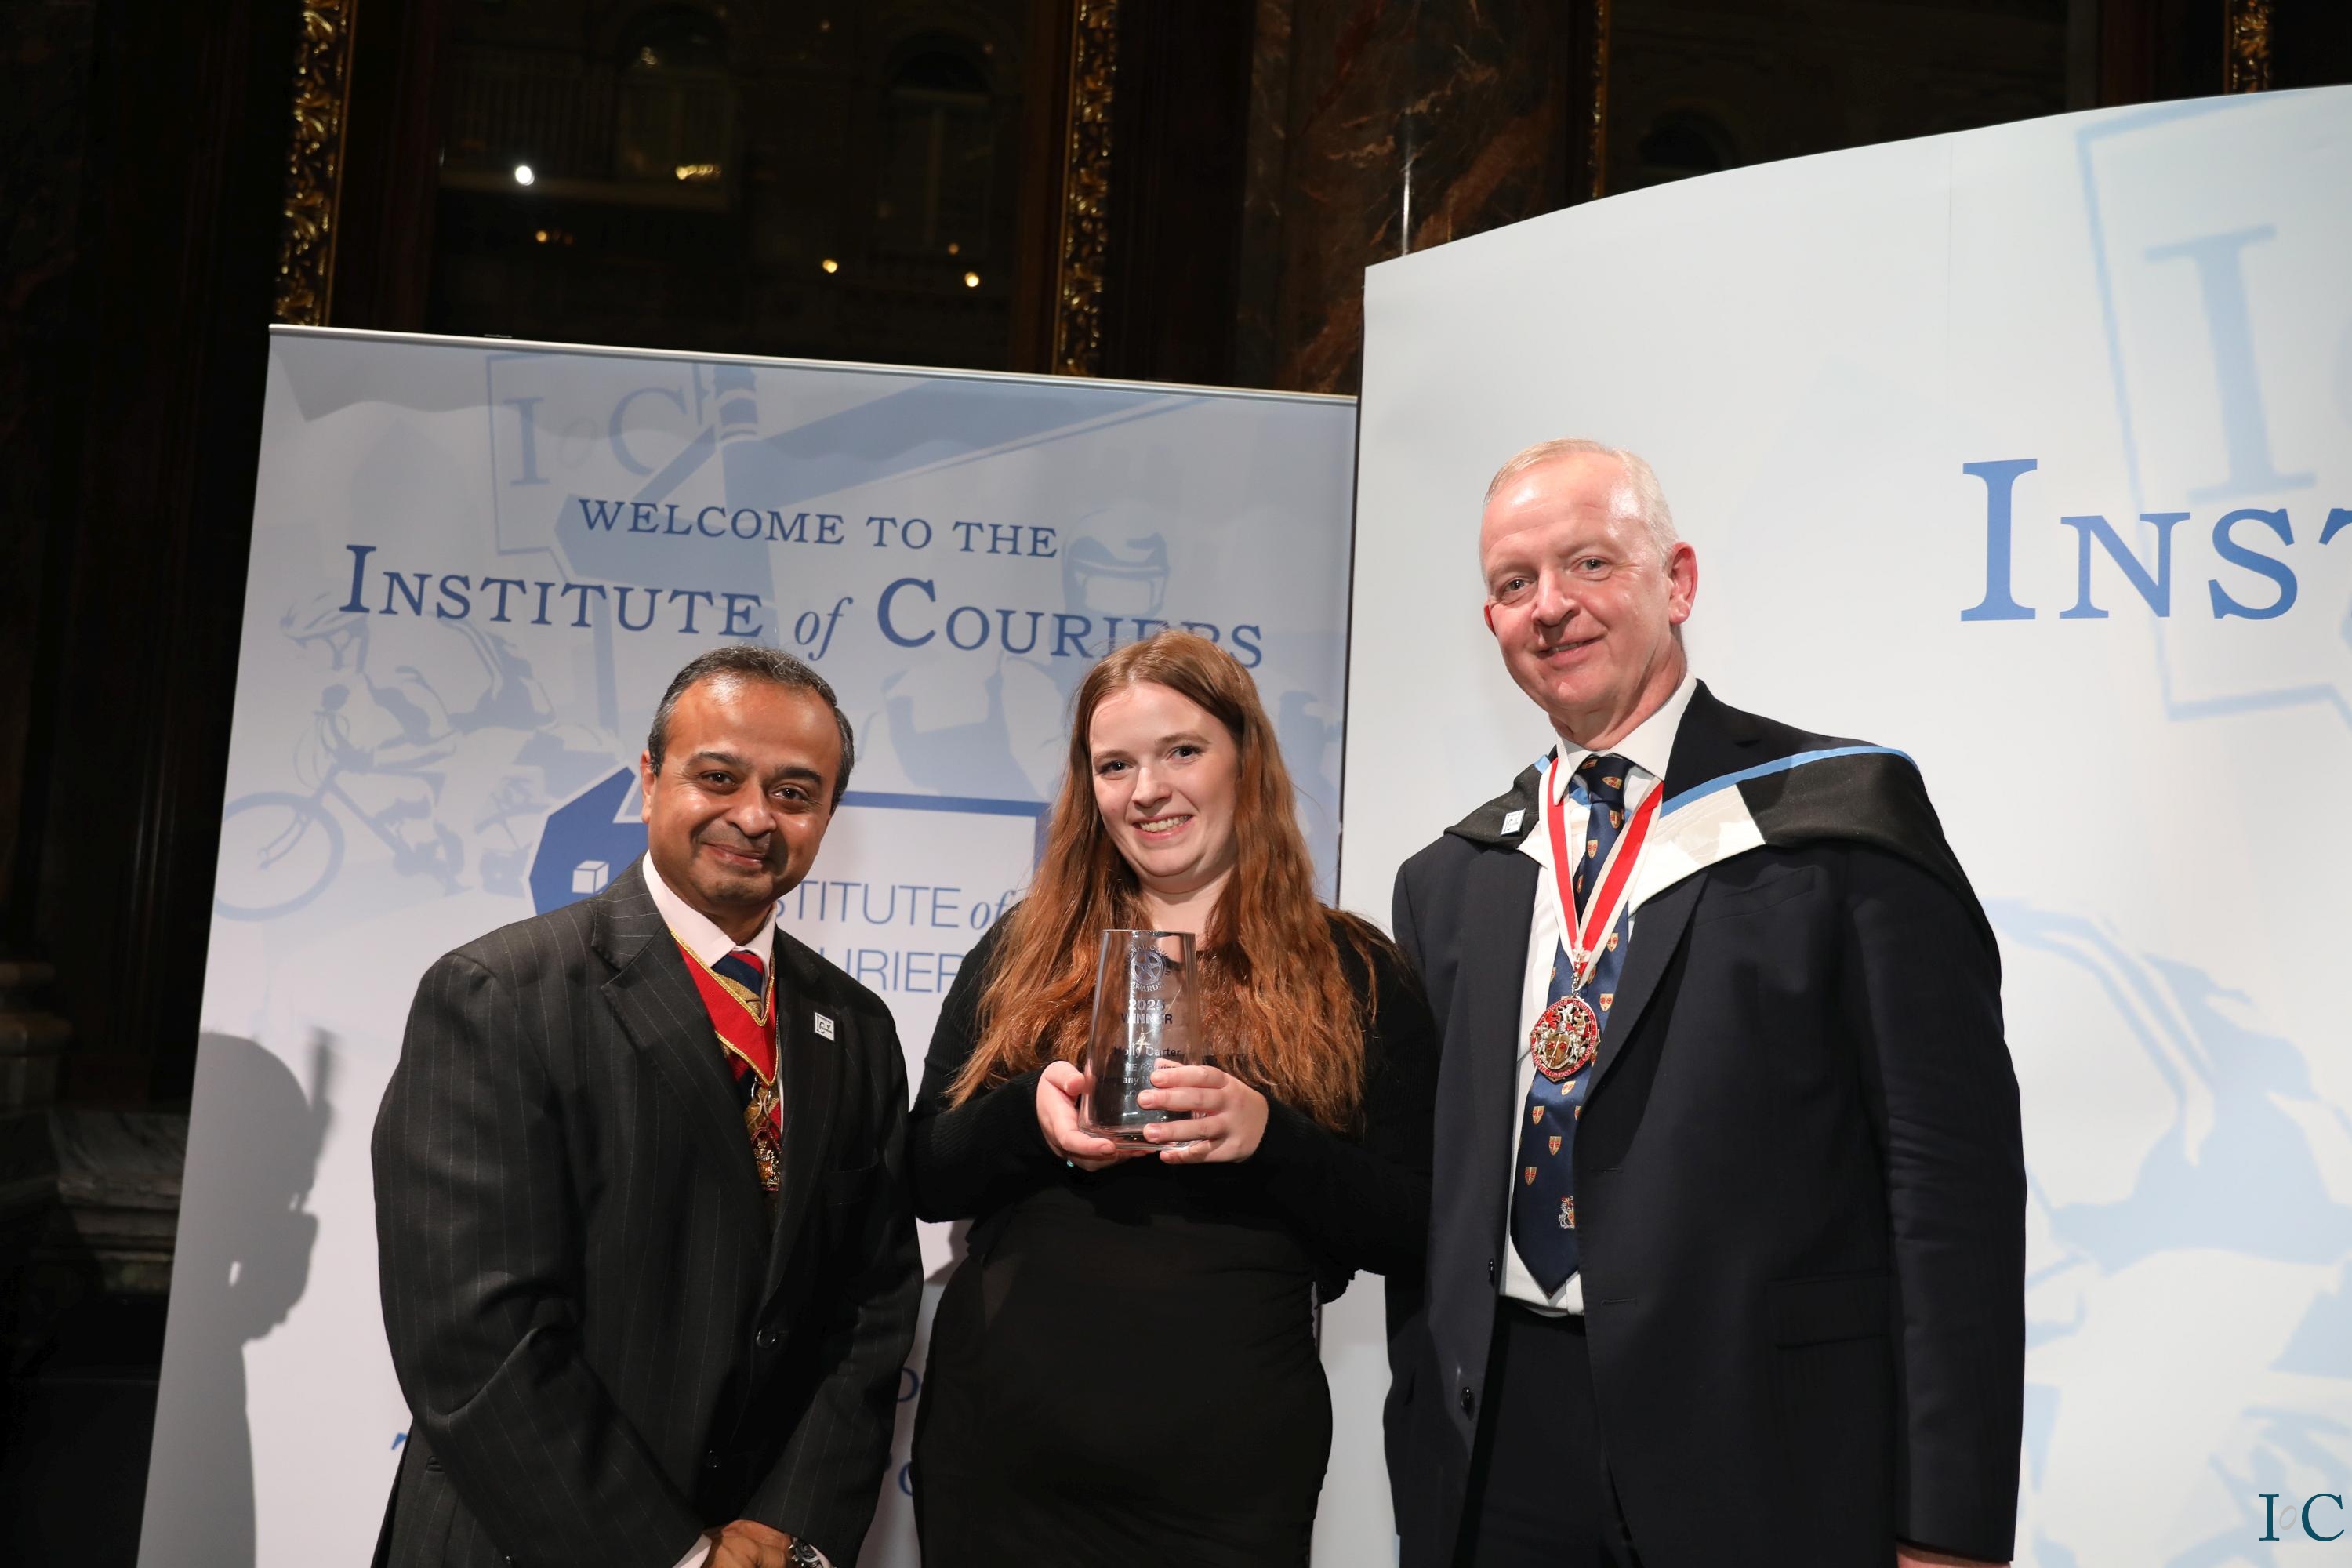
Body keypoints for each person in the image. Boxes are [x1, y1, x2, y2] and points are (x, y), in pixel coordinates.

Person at [1386, 440, 2024, 1568]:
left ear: (1676, 581)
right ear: (1492, 622)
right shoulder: (1453, 880)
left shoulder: (1840, 824)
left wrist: (1948, 1519)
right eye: (1515, 583)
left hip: (1762, 1450)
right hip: (1501, 1457)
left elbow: (1948, 1188)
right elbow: (1429, 1203)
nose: (1551, 606)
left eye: (1590, 562)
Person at [372, 645, 920, 1568]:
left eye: (794, 792)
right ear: (650, 777)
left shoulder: (855, 1025)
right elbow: (475, 1336)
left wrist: (786, 1528)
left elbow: (871, 1303)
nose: (754, 815)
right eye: (719, 776)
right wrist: (678, 1554)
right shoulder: (501, 993)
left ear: (828, 814)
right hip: (534, 1540)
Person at [906, 630, 1439, 1568]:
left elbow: (1416, 1226)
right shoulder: (1024, 949)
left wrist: (1270, 1136)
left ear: (1246, 759)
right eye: (1115, 764)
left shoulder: (1355, 969)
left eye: (1182, 750)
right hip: (1001, 1459)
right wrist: (1029, 1116)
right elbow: (925, 1172)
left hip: (1226, 1481)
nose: (1147, 789)